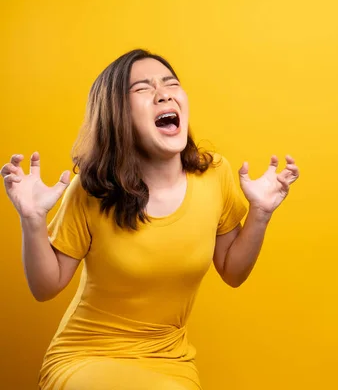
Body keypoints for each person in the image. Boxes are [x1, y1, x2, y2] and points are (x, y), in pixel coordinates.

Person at [1, 49, 300, 390]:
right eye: (143, 88)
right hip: (87, 356)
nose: (164, 92)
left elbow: (233, 271)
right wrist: (32, 219)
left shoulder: (215, 174)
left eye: (171, 83)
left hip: (171, 362)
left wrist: (260, 214)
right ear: (118, 116)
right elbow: (45, 286)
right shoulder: (92, 190)